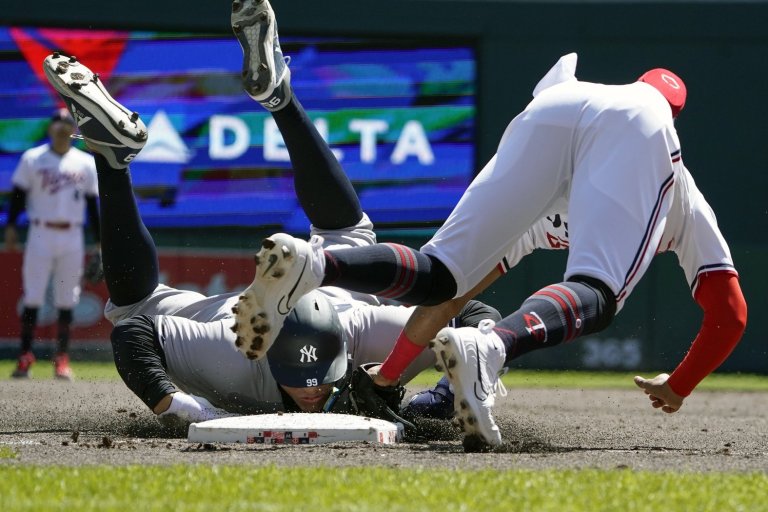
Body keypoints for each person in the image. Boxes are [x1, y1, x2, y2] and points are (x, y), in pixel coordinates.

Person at [235, 49, 748, 448]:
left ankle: (315, 262)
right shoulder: (676, 186)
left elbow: (450, 297)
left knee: (440, 272)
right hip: (633, 118)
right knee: (598, 291)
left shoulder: (580, 139)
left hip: (551, 105)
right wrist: (679, 385)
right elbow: (729, 313)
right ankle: (493, 347)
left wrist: (388, 378)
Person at [40, 0, 499, 429]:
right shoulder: (234, 356)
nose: (313, 393)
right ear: (267, 357)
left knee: (347, 237)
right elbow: (134, 335)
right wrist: (174, 404)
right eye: (301, 380)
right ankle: (273, 98)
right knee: (345, 234)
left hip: (332, 296)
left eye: (320, 377)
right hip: (234, 321)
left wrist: (442, 390)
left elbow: (476, 314)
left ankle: (113, 157)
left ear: (346, 348)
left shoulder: (366, 332)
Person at [5, 107, 100, 380]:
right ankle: (25, 356)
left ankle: (61, 358)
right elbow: (18, 195)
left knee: (66, 297)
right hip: (40, 232)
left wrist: (99, 242)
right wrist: (11, 226)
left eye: (67, 122)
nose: (61, 126)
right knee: (33, 295)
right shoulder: (33, 158)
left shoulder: (85, 162)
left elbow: (92, 205)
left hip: (72, 234)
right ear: (50, 128)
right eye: (57, 122)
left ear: (74, 130)